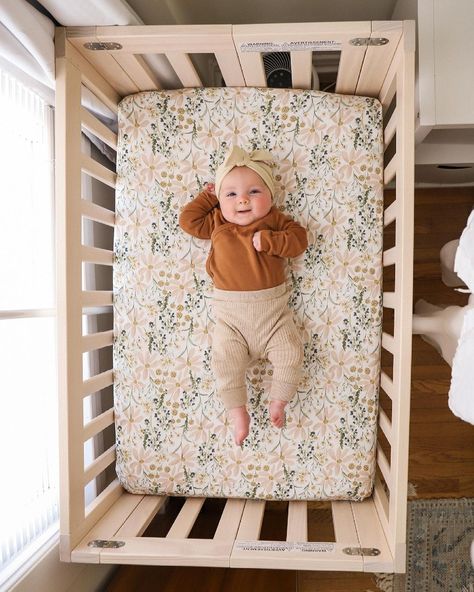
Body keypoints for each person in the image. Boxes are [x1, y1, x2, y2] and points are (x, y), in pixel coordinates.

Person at [179, 146, 308, 445]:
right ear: (220, 202)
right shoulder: (216, 223)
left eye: (253, 191)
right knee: (224, 362)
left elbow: (300, 240)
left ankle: (279, 401)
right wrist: (209, 196)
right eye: (231, 194)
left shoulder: (275, 221)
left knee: (291, 352)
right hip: (232, 321)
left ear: (271, 196)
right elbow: (188, 221)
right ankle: (238, 413)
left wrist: (273, 241)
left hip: (273, 317)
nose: (243, 200)